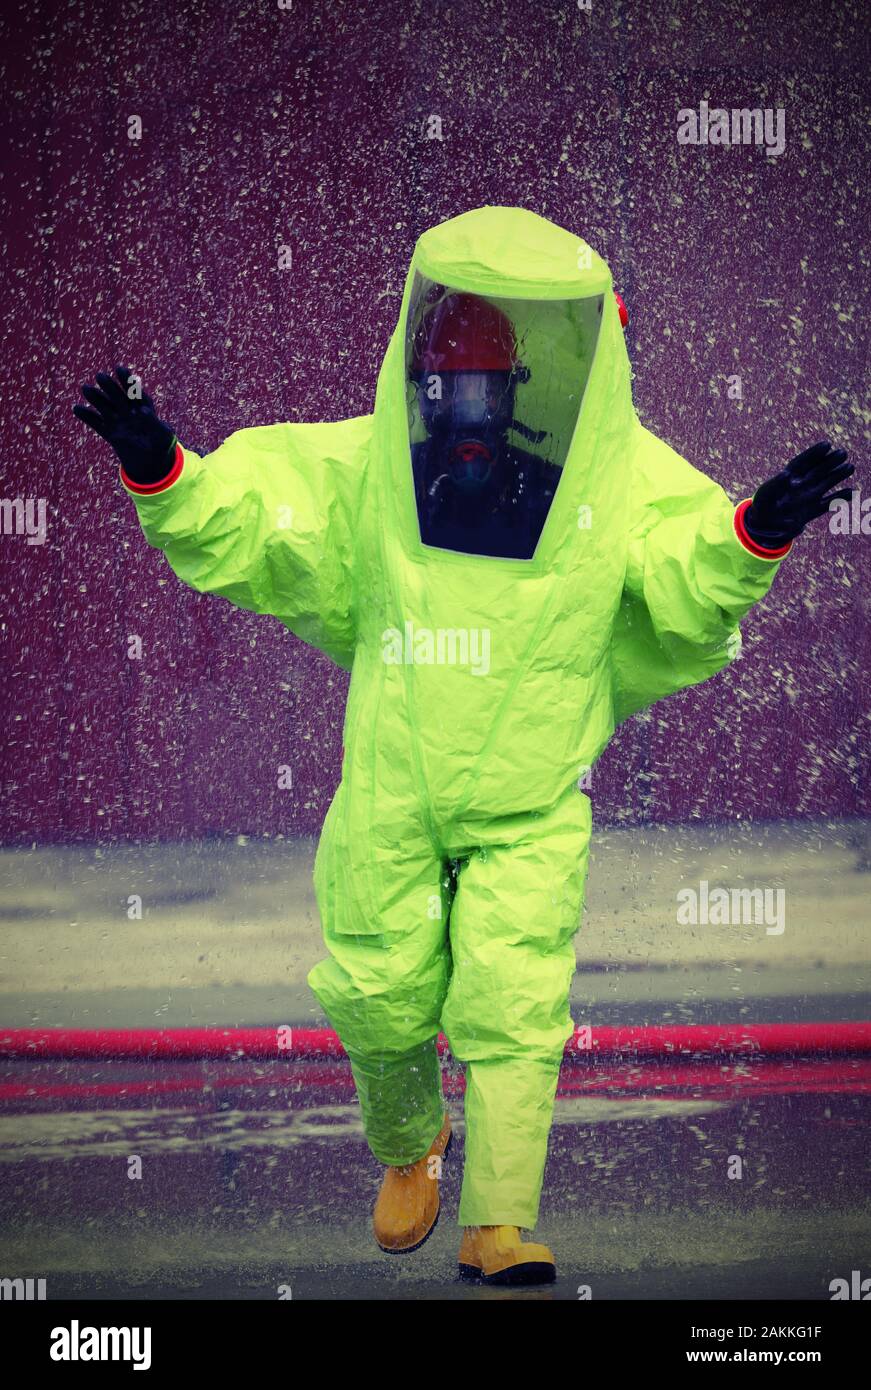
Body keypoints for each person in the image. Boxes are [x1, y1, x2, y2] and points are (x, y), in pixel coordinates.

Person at [74, 206, 854, 1286]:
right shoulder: (373, 477)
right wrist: (164, 467)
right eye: (448, 386)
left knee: (514, 1003)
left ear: (526, 388)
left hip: (531, 800)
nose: (467, 409)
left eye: (487, 387)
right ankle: (409, 1147)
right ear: (418, 378)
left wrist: (755, 529)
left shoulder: (606, 488)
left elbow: (685, 569)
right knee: (378, 992)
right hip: (394, 788)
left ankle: (498, 1221)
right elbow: (258, 522)